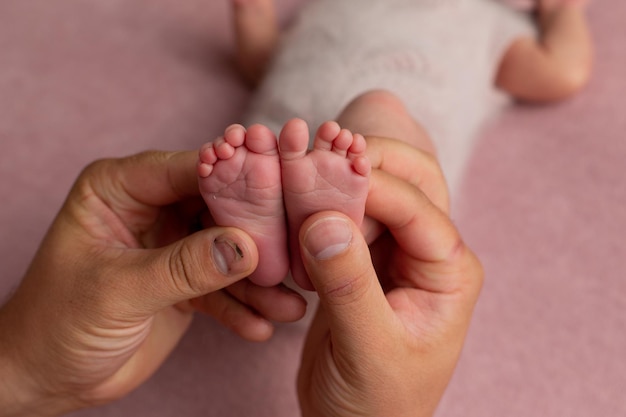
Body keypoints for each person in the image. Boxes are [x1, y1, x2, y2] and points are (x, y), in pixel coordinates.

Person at [0, 136, 482, 416]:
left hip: (297, 130)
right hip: (335, 148)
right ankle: (319, 229)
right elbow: (555, 73)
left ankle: (277, 239)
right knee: (384, 146)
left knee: (373, 126)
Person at [213, 0, 592, 289]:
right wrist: (254, 18)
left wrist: (562, 11)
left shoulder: (486, 21)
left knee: (380, 108)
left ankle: (348, 224)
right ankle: (262, 241)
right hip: (286, 143)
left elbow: (559, 70)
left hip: (388, 199)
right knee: (258, 147)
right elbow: (269, 65)